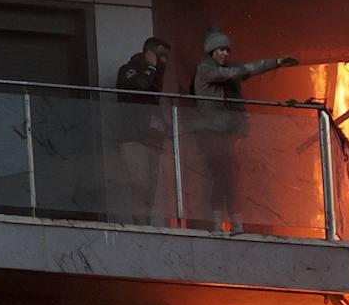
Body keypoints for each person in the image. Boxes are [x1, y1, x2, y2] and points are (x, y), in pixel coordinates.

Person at [193, 27, 298, 233]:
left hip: (227, 133)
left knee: (229, 177)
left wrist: (275, 63)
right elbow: (243, 70)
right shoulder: (206, 70)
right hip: (210, 132)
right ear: (211, 50)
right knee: (222, 176)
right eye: (221, 49)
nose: (225, 53)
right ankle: (221, 222)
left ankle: (233, 221)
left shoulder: (226, 71)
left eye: (227, 50)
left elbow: (245, 70)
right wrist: (274, 62)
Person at [114, 37, 171, 224]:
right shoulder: (127, 70)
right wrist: (151, 68)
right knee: (139, 184)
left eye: (166, 58)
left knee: (151, 188)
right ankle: (139, 224)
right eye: (161, 56)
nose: (165, 61)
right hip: (133, 138)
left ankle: (145, 222)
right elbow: (140, 86)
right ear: (149, 54)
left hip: (152, 140)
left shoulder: (157, 80)